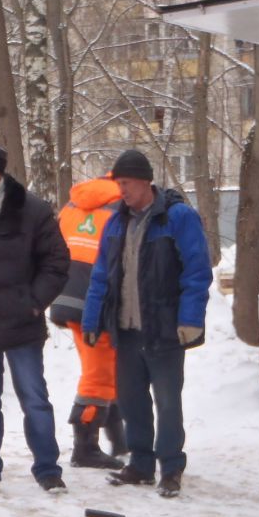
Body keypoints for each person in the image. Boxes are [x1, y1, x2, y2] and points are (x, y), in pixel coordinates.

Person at [81, 149, 212, 498]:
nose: (120, 190)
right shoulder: (116, 222)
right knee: (132, 399)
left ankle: (170, 467)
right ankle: (140, 464)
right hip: (126, 329)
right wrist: (92, 319)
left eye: (125, 183)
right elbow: (100, 276)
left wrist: (190, 319)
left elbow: (197, 271)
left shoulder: (178, 218)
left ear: (144, 181)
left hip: (165, 328)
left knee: (168, 400)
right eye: (118, 184)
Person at [0, 139, 71, 497]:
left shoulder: (32, 211)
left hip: (21, 325)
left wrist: (33, 302)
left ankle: (48, 469)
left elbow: (57, 263)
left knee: (34, 398)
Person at [50, 176, 128, 470]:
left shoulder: (73, 203)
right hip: (94, 299)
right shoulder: (121, 205)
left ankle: (119, 440)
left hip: (65, 294)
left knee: (107, 366)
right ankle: (85, 448)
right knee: (99, 374)